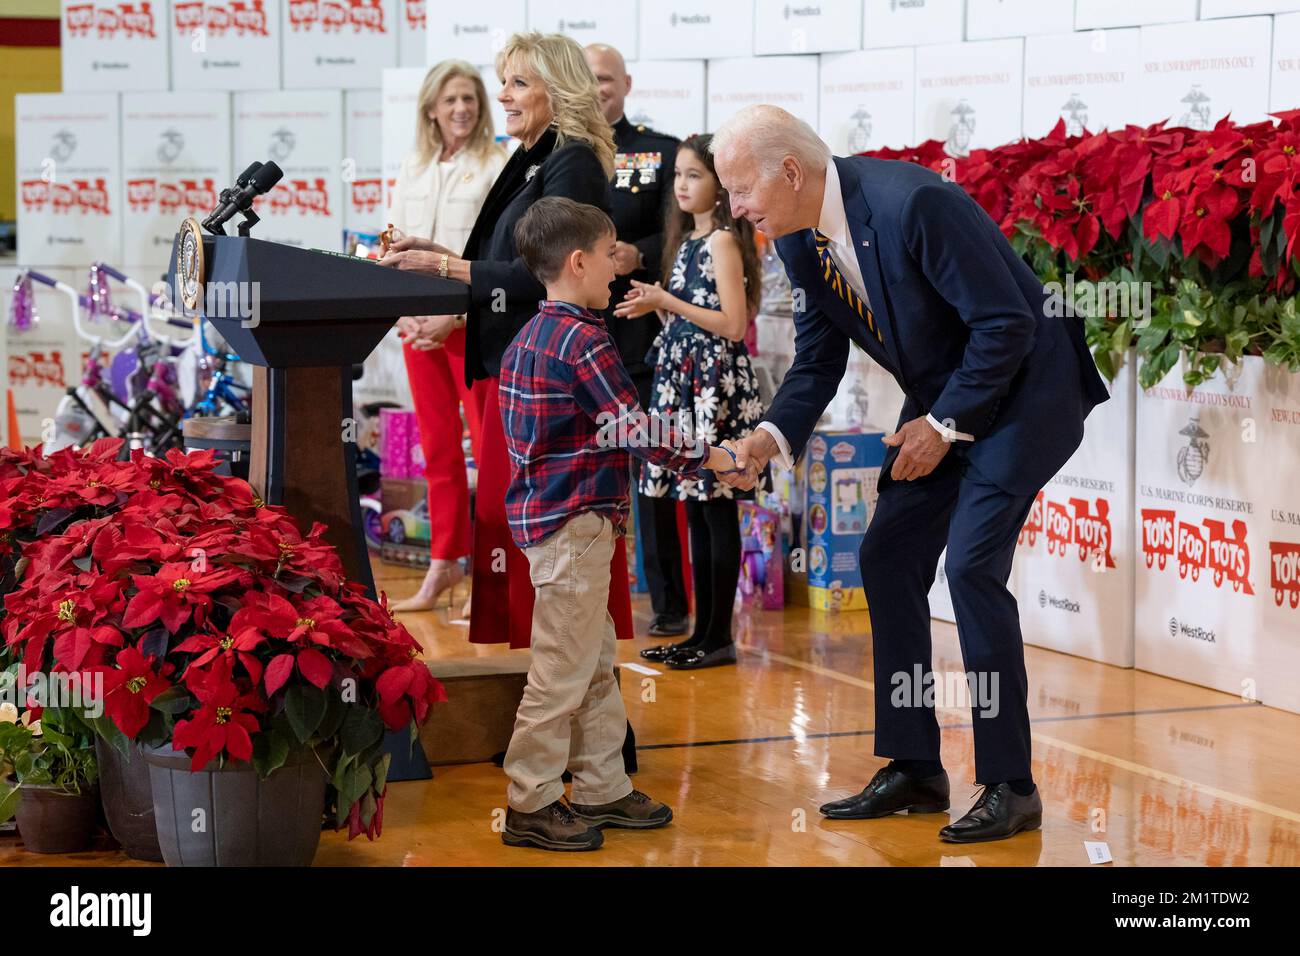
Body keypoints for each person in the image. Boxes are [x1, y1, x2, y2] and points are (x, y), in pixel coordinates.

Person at [711, 105, 1110, 843]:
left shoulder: (913, 202)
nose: (734, 209)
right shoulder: (799, 240)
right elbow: (818, 361)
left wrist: (944, 423)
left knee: (970, 568)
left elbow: (1006, 323)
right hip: (950, 399)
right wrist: (768, 439)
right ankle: (916, 766)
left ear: (790, 172)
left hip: (1028, 391)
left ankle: (1011, 784)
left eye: (740, 190)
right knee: (887, 554)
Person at [498, 197, 741, 851]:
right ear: (578, 262)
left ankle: (602, 785)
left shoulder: (528, 337)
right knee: (562, 671)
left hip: (553, 525)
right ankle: (530, 799)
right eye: (610, 255)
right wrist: (716, 455)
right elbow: (634, 429)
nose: (618, 267)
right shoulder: (584, 339)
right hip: (573, 527)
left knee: (594, 662)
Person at [380, 32, 630, 651]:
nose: (503, 96)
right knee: (505, 519)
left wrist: (444, 272)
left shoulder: (570, 158)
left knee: (525, 525)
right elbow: (501, 257)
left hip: (543, 371)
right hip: (515, 362)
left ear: (558, 88)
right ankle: (532, 684)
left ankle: (554, 695)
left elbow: (543, 272)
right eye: (506, 81)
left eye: (520, 83)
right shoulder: (537, 154)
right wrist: (438, 255)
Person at [614, 134, 765, 671]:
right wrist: (656, 308)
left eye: (694, 175)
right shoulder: (688, 241)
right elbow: (691, 316)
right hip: (684, 379)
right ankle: (701, 633)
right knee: (697, 512)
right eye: (678, 174)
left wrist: (665, 299)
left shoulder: (723, 241)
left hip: (714, 385)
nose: (681, 184)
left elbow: (732, 324)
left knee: (716, 509)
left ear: (721, 185)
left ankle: (717, 635)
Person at [386, 60, 507, 613]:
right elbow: (391, 247)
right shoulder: (412, 167)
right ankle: (443, 566)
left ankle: (494, 574)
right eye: (451, 99)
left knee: (488, 452)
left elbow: (498, 259)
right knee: (437, 451)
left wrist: (455, 318)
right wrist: (401, 314)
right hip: (417, 332)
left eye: (471, 99)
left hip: (470, 326)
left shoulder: (496, 164)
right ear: (431, 108)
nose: (462, 109)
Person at [585, 42, 689, 639]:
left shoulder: (661, 150)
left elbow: (682, 231)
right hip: (574, 335)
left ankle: (669, 600)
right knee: (585, 470)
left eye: (606, 78)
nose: (598, 89)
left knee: (653, 467)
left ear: (625, 83)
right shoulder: (559, 151)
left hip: (638, 331)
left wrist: (638, 254)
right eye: (589, 79)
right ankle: (595, 600)